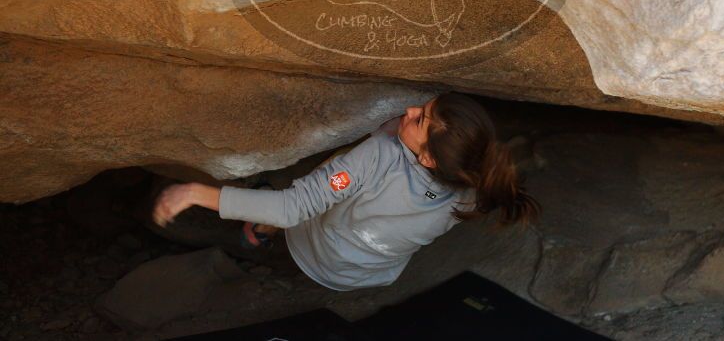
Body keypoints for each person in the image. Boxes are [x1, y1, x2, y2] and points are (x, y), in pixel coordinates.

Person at [152, 92, 540, 291]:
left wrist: (194, 193)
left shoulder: (379, 155)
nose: (408, 109)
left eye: (420, 119)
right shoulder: (473, 185)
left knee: (320, 183)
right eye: (423, 106)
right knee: (351, 193)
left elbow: (294, 207)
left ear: (428, 160)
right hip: (373, 272)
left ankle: (264, 230)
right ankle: (270, 228)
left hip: (321, 256)